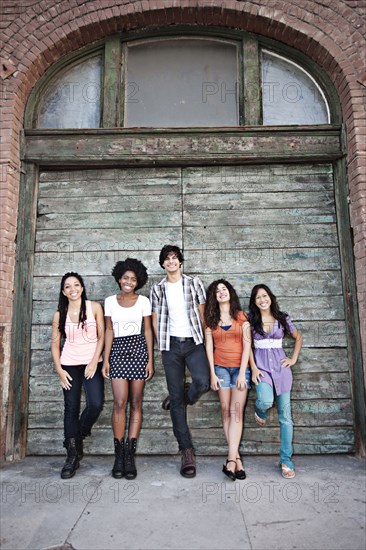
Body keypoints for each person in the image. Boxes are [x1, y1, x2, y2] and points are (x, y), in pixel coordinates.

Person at [150, 245, 210, 478]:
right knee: (175, 400)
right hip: (170, 346)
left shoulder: (194, 283)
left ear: (180, 262)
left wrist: (204, 340)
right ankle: (186, 451)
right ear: (163, 264)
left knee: (203, 382)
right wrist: (161, 343)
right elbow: (155, 318)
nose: (171, 262)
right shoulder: (157, 288)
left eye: (175, 258)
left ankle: (186, 393)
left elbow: (203, 313)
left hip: (194, 342)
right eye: (167, 259)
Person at [102, 258, 153, 480]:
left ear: (138, 281)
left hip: (138, 349)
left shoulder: (143, 301)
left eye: (133, 279)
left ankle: (130, 455)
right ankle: (119, 454)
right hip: (118, 350)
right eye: (125, 278)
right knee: (120, 402)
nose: (129, 282)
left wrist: (150, 359)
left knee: (136, 401)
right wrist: (105, 358)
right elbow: (109, 330)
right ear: (119, 278)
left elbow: (148, 331)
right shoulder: (110, 301)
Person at [204, 279, 260, 481]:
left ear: (230, 293)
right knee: (226, 411)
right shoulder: (210, 319)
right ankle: (237, 461)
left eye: (224, 289)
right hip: (220, 369)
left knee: (236, 413)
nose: (221, 292)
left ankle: (230, 459)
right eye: (217, 290)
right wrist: (212, 373)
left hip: (240, 370)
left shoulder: (241, 316)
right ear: (214, 297)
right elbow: (209, 348)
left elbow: (247, 346)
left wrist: (245, 371)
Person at [51, 272, 105, 479]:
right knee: (71, 408)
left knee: (96, 404)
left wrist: (94, 362)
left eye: (76, 285)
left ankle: (77, 436)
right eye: (67, 287)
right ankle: (72, 455)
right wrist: (59, 370)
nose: (72, 289)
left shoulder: (94, 308)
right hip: (69, 365)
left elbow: (101, 337)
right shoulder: (59, 314)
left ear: (82, 287)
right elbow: (55, 344)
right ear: (63, 292)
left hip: (91, 364)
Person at [249, 284, 303, 479]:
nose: (262, 300)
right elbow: (247, 347)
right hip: (262, 369)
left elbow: (298, 338)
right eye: (258, 298)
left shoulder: (282, 318)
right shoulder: (251, 321)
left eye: (265, 296)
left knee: (286, 418)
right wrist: (253, 368)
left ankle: (286, 461)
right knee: (264, 400)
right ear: (254, 302)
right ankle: (260, 410)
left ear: (270, 297)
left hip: (282, 371)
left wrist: (293, 358)